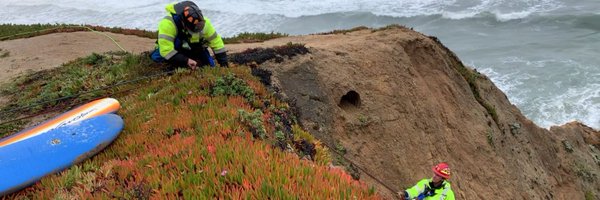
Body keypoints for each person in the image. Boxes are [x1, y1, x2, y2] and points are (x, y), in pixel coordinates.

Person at [150, 1, 228, 69]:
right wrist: (186, 60)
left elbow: (217, 43)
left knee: (210, 65)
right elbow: (166, 51)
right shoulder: (168, 24)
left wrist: (224, 64)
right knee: (160, 60)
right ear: (184, 23)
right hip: (173, 48)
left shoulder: (205, 23)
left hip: (193, 47)